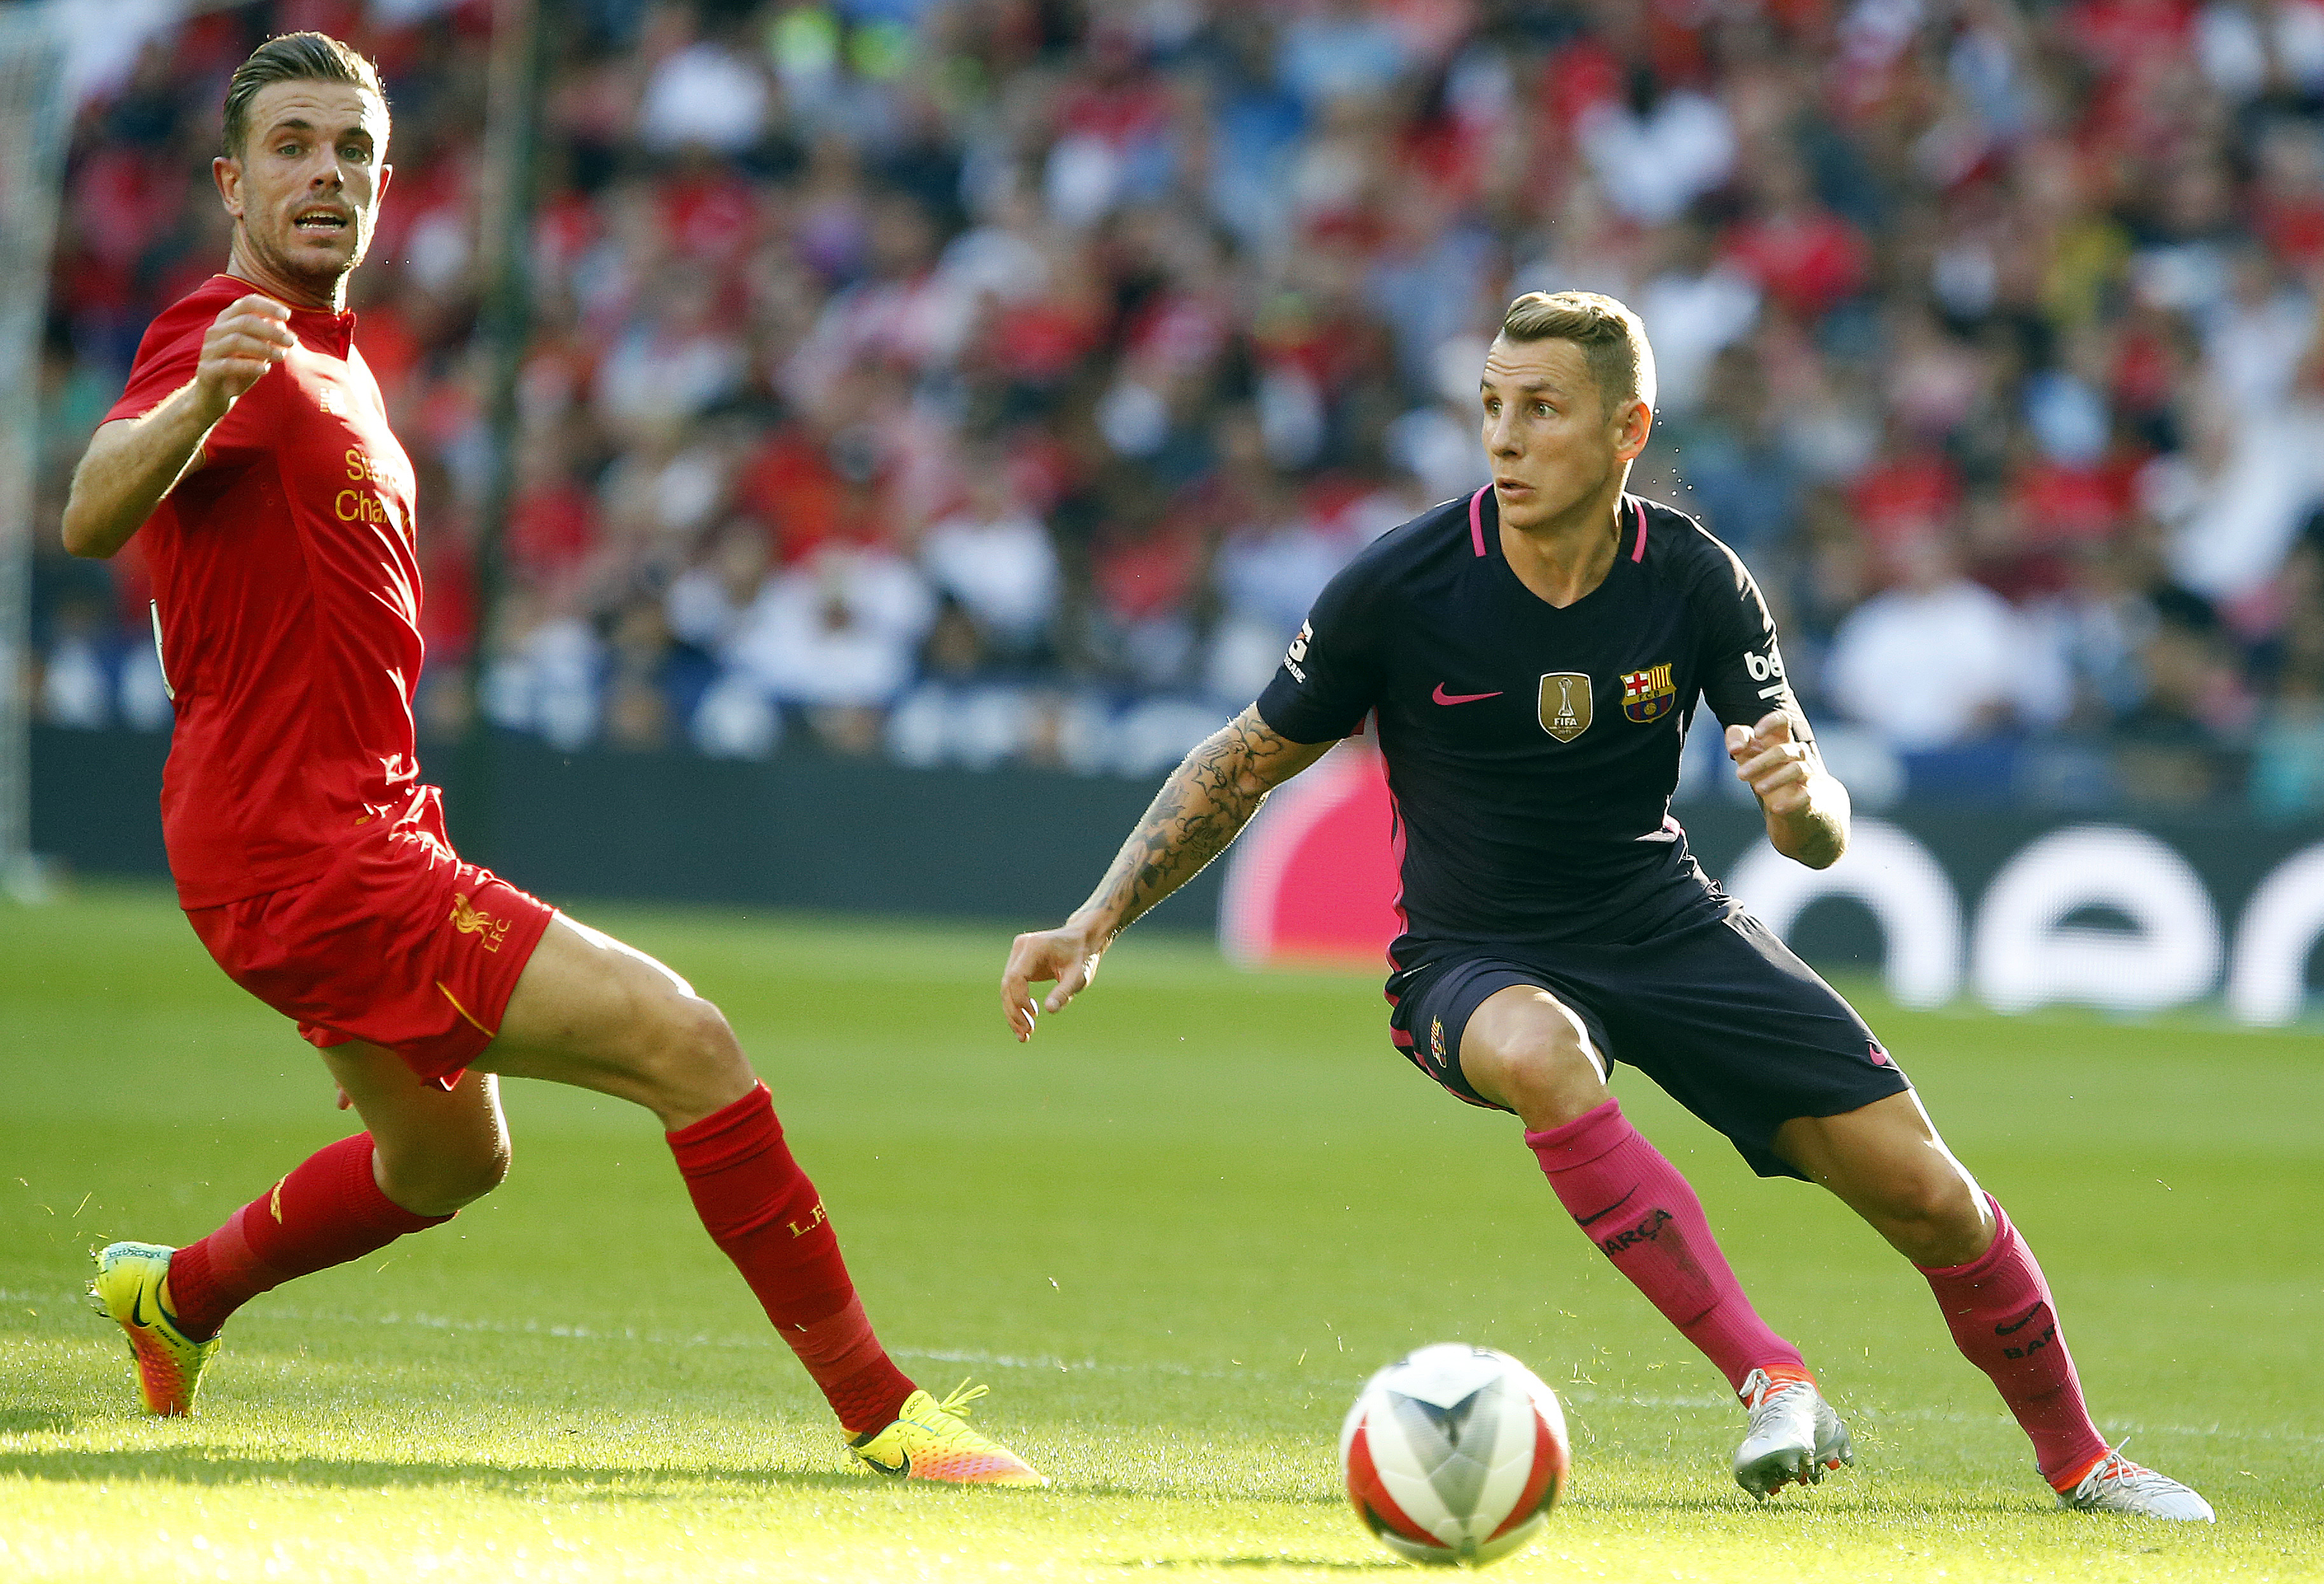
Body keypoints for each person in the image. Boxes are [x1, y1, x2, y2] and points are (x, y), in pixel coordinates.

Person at [1002, 291, 2213, 1519]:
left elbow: (1816, 832)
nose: (1505, 438)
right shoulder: (1405, 585)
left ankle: (2082, 1462)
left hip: (1662, 924)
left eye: (1542, 409)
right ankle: (1771, 1379)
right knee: (1544, 1048)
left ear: (1628, 429)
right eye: (1491, 407)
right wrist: (1095, 919)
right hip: (1472, 957)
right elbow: (1242, 759)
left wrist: (1807, 802)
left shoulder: (1695, 580)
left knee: (1931, 1194)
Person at [59, 31, 1038, 1487]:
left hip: (326, 833)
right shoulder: (230, 333)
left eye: (354, 153)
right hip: (309, 851)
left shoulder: (328, 359)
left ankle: (178, 1296)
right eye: (293, 146)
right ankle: (886, 1416)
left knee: (452, 1162)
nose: (326, 173)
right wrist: (197, 396)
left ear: (386, 186)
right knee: (687, 1044)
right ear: (230, 180)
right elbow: (87, 508)